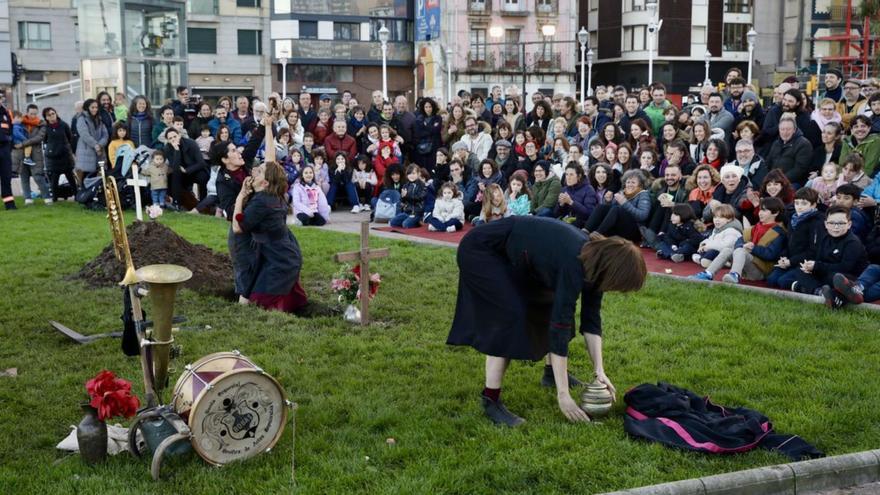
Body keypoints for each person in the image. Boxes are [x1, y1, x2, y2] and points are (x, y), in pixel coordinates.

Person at [448, 216, 647, 426]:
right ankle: (491, 399)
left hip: (520, 256)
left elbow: (591, 319)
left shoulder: (596, 267)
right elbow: (558, 327)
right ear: (613, 271)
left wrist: (600, 370)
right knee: (511, 317)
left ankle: (551, 375)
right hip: (483, 251)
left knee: (553, 305)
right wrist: (563, 396)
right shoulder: (574, 261)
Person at [232, 156, 308, 313]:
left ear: (265, 183)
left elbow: (237, 228)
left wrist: (240, 196)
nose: (254, 173)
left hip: (279, 258)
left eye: (259, 172)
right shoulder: (273, 196)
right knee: (253, 296)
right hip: (280, 253)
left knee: (258, 304)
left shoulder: (261, 201)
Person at [696, 198, 787, 283]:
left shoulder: (779, 232)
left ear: (776, 213)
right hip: (747, 265)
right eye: (760, 210)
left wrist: (752, 248)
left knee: (741, 250)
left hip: (761, 271)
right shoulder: (756, 227)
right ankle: (708, 273)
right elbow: (739, 241)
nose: (760, 213)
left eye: (764, 210)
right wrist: (744, 246)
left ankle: (734, 275)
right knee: (728, 249)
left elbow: (771, 254)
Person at [790, 206, 868, 296]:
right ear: (826, 224)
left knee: (834, 277)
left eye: (841, 223)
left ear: (849, 224)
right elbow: (819, 259)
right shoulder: (825, 238)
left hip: (849, 276)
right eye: (831, 223)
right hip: (827, 272)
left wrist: (817, 266)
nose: (836, 227)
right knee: (800, 270)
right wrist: (811, 267)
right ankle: (820, 291)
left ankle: (807, 288)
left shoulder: (853, 242)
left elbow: (845, 267)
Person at [583, 169, 651, 243]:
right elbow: (611, 212)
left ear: (640, 184)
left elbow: (642, 216)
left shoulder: (643, 194)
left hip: (635, 231)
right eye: (628, 182)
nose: (630, 185)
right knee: (601, 207)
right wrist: (608, 201)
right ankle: (585, 231)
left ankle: (598, 234)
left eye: (633, 182)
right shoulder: (622, 192)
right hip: (619, 227)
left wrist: (624, 203)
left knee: (617, 209)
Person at [689, 204, 744, 273]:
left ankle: (719, 263)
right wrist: (704, 243)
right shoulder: (717, 229)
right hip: (717, 251)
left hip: (728, 256)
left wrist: (708, 246)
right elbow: (711, 239)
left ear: (729, 219)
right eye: (715, 217)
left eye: (720, 217)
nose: (717, 220)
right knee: (703, 252)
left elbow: (726, 246)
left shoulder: (732, 230)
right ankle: (704, 259)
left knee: (709, 254)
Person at [75, 98, 109, 185]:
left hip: (99, 150)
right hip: (87, 150)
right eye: (92, 107)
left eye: (96, 107)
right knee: (85, 174)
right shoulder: (81, 118)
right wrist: (95, 145)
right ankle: (83, 195)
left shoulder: (99, 119)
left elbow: (105, 134)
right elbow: (84, 134)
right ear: (87, 108)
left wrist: (100, 145)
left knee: (97, 174)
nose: (95, 109)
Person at [555, 163, 599, 228]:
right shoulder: (564, 189)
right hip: (565, 221)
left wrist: (571, 202)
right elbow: (556, 213)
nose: (568, 177)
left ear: (579, 176)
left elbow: (589, 214)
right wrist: (561, 204)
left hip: (581, 224)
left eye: (571, 175)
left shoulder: (589, 189)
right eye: (566, 174)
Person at [390, 164, 427, 228]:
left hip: (417, 212)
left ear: (418, 174)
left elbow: (420, 198)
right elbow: (402, 201)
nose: (411, 176)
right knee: (393, 222)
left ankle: (418, 222)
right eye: (409, 174)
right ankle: (409, 220)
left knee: (405, 224)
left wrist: (407, 195)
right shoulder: (406, 185)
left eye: (413, 173)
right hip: (407, 212)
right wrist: (403, 197)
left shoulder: (422, 185)